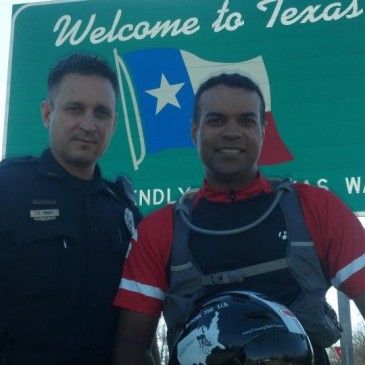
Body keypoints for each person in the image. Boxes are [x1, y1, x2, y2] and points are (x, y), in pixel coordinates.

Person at [112, 73, 365, 365]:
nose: (231, 132)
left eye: (246, 120)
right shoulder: (158, 230)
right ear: (194, 131)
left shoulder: (319, 209)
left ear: (263, 131)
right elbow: (131, 343)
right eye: (216, 120)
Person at [0, 53, 146, 365]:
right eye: (75, 109)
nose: (89, 125)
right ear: (46, 113)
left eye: (102, 113)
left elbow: (137, 328)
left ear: (114, 124)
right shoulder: (7, 188)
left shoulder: (125, 212)